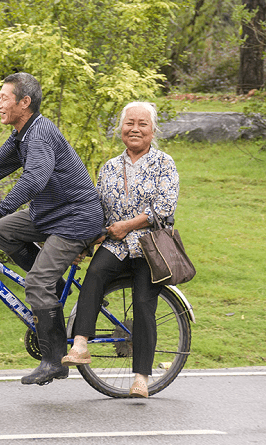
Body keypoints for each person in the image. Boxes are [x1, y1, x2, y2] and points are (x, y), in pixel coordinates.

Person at [0, 72, 105, 386]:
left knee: (35, 283)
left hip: (75, 217)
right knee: (4, 231)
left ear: (25, 102)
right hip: (51, 214)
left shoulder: (39, 133)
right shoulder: (22, 134)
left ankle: (54, 360)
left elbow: (34, 179)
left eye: (4, 98)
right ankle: (55, 288)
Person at [60, 101, 180, 398]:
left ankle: (141, 378)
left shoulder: (165, 163)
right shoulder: (111, 167)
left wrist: (128, 225)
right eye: (129, 123)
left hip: (149, 247)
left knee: (143, 304)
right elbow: (98, 212)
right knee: (95, 275)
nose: (135, 129)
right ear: (121, 129)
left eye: (142, 123)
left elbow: (164, 208)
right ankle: (80, 345)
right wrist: (85, 246)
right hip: (115, 245)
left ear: (153, 130)